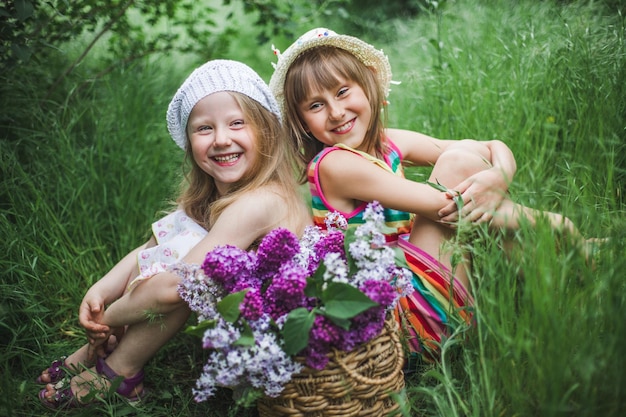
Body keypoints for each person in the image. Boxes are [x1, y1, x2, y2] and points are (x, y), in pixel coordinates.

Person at [269, 27, 593, 359]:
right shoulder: (333, 165)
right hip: (401, 323)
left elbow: (490, 147)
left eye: (342, 92)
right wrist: (555, 221)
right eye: (316, 105)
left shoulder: (387, 142)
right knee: (458, 170)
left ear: (367, 86)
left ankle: (558, 277)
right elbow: (446, 206)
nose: (336, 112)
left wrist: (499, 174)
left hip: (425, 291)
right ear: (303, 122)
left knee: (465, 162)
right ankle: (566, 251)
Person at [38, 59, 311, 408]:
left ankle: (121, 369)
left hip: (278, 339)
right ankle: (98, 352)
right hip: (238, 314)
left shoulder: (262, 201)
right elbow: (151, 248)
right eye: (203, 129)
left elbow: (174, 287)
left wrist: (107, 319)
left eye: (237, 123)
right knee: (178, 243)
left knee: (183, 279)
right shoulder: (221, 196)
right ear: (188, 141)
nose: (221, 139)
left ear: (266, 131)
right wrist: (102, 290)